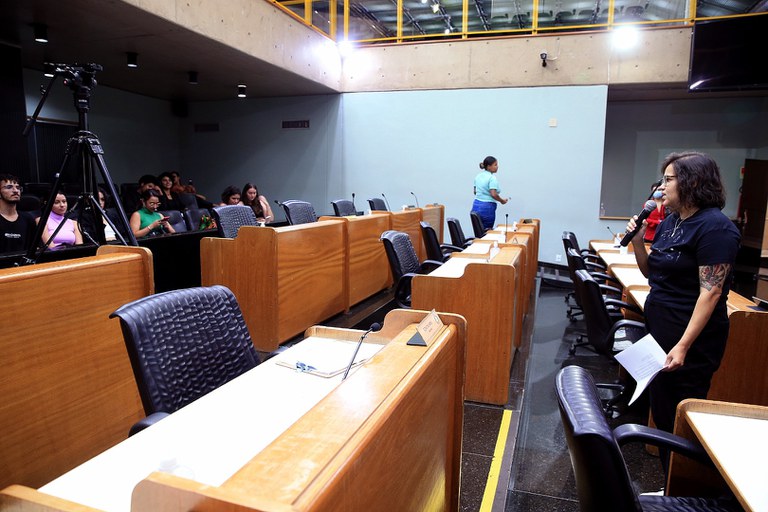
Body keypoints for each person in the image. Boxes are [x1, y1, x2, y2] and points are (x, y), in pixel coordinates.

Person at [625, 151, 740, 469]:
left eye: (668, 179)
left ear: (694, 182)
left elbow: (711, 292)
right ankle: (669, 484)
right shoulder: (671, 223)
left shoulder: (715, 228)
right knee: (663, 414)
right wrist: (638, 243)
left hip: (689, 343)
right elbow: (652, 273)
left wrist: (683, 345)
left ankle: (680, 486)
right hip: (661, 334)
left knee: (680, 419)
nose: (661, 187)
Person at [0, 174, 37, 253]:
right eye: (9, 187)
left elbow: (34, 248)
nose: (16, 191)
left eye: (18, 187)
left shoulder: (28, 219)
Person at [471, 156, 509, 230]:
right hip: (487, 208)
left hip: (476, 206)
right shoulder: (492, 178)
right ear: (489, 166)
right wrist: (502, 201)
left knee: (478, 231)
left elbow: (475, 192)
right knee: (487, 232)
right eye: (495, 165)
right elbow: (493, 194)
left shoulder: (478, 176)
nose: (497, 167)